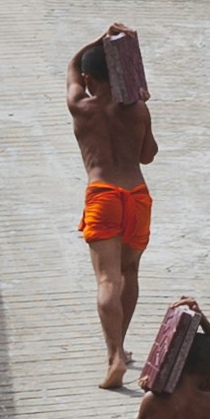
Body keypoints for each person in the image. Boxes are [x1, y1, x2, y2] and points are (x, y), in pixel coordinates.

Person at [68, 22, 156, 390]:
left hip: (103, 193)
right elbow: (148, 155)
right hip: (136, 194)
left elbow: (71, 69)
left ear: (90, 78)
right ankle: (122, 345)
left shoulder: (80, 107)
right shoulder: (136, 110)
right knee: (129, 274)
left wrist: (100, 40)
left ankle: (114, 355)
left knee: (107, 279)